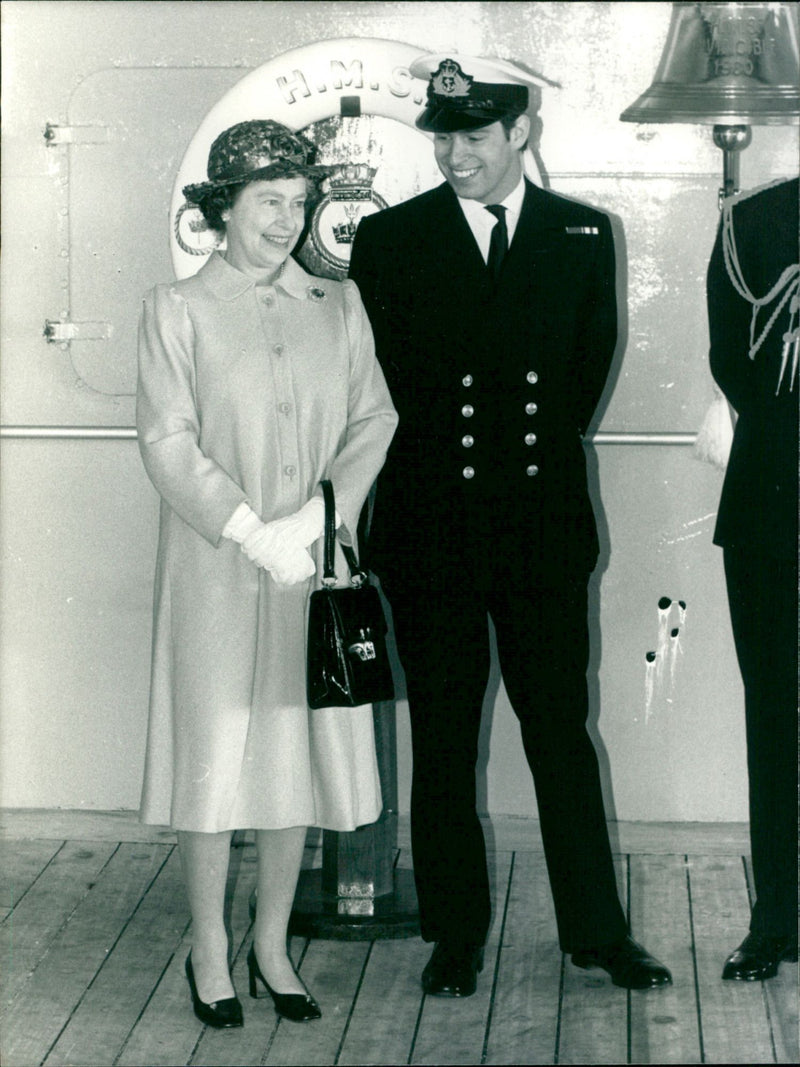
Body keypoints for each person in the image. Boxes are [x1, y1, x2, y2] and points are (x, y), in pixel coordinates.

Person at [349, 54, 672, 996]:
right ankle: (455, 934)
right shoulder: (391, 238)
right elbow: (381, 388)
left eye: (474, 137)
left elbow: (582, 373)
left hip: (538, 529)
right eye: (442, 138)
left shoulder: (582, 233)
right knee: (445, 740)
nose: (454, 155)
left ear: (519, 133)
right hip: (432, 529)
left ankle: (597, 935)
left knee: (559, 736)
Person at [136, 120, 398, 1027]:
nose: (287, 221)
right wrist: (252, 529)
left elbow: (375, 419)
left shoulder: (340, 302)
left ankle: (271, 943)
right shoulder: (176, 310)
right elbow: (166, 439)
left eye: (298, 203)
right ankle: (208, 948)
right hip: (218, 569)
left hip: (314, 569)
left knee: (295, 758)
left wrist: (320, 517)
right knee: (212, 762)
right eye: (267, 204)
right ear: (223, 209)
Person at [706, 177, 799, 981]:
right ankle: (779, 915)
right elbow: (730, 357)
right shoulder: (756, 222)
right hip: (775, 504)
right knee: (775, 715)